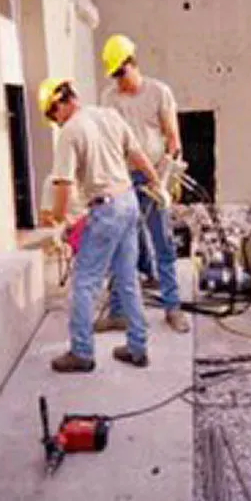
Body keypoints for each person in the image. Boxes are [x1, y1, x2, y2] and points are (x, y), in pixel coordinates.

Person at [37, 77, 166, 372]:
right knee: (127, 279)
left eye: (51, 114)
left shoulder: (70, 131)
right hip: (128, 202)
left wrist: (60, 218)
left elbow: (64, 184)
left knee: (84, 284)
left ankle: (82, 353)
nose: (54, 122)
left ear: (59, 103)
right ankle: (137, 347)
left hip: (105, 210)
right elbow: (138, 156)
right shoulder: (109, 115)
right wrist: (157, 183)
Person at [98, 34, 190, 334]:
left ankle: (172, 307)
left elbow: (173, 139)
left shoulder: (159, 93)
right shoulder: (109, 98)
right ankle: (118, 312)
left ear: (132, 64)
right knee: (120, 244)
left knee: (162, 241)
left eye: (120, 73)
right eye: (114, 75)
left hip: (153, 178)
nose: (118, 81)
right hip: (123, 179)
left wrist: (163, 178)